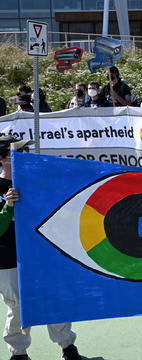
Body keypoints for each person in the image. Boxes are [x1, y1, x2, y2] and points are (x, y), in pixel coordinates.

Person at [0, 135, 84, 360]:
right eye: (18, 151)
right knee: (18, 306)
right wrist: (8, 207)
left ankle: (67, 346)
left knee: (54, 297)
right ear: (2, 158)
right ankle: (19, 353)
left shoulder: (36, 180)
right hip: (7, 257)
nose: (25, 154)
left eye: (26, 149)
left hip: (42, 255)